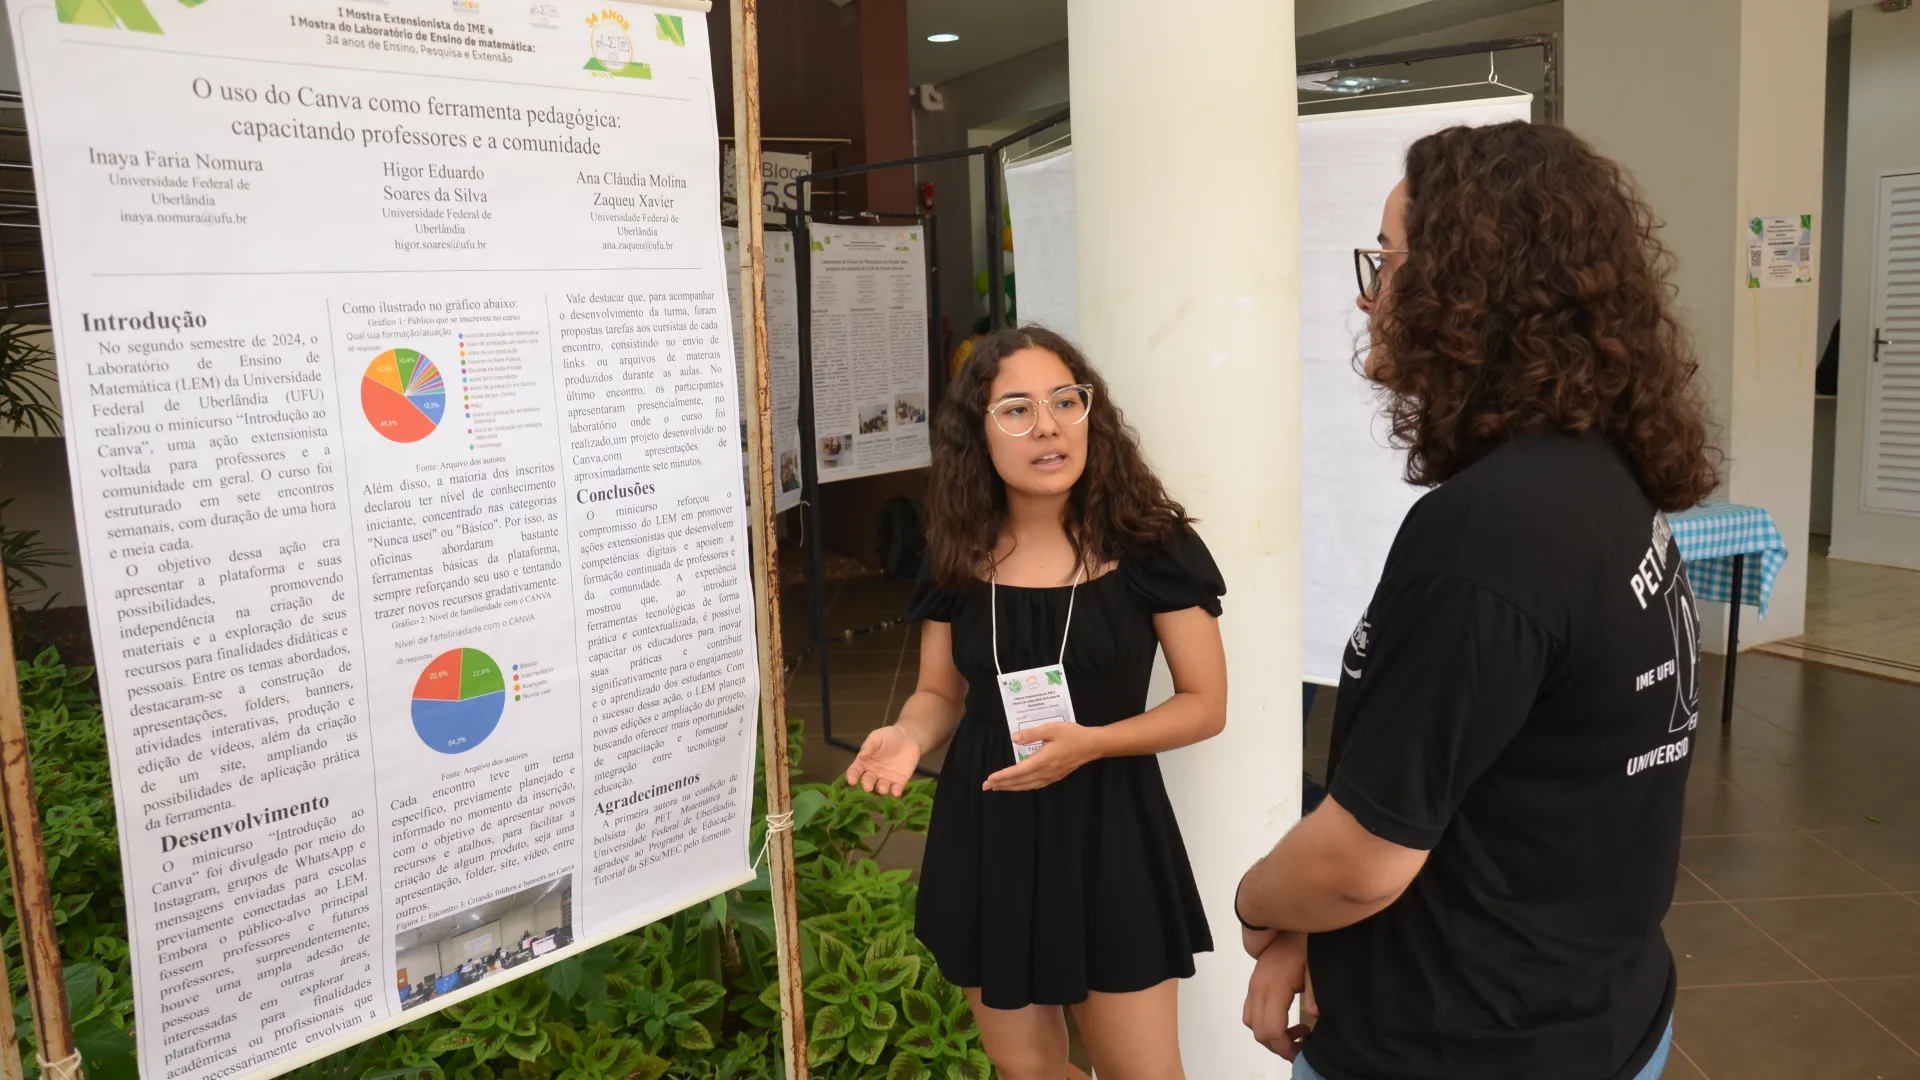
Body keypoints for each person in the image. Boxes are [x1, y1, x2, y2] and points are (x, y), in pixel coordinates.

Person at [1233, 121, 1719, 1080]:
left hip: (1463, 1044)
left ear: (1465, 290)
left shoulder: (1489, 538)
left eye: (1389, 261)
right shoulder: (1598, 474)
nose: (1370, 295)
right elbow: (1460, 781)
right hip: (1595, 1008)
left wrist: (1260, 906)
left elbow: (1359, 864)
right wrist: (1313, 926)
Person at [845, 326, 1228, 1080]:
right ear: (977, 434)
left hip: (1108, 820)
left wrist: (1093, 742)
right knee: (1024, 1067)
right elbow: (938, 692)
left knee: (1143, 1073)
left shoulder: (1151, 542)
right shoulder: (956, 551)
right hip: (992, 816)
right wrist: (909, 735)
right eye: (1017, 410)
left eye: (1065, 402)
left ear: (1091, 415)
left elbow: (1205, 703)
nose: (1048, 426)